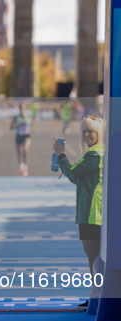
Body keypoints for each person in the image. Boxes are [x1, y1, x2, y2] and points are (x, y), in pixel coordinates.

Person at [53, 114, 105, 311]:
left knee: (93, 258)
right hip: (94, 211)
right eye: (83, 130)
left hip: (92, 212)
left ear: (98, 132)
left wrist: (61, 155)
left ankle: (97, 297)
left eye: (90, 130)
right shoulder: (97, 151)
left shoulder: (94, 154)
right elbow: (77, 177)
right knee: (96, 259)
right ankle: (97, 295)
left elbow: (73, 173)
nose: (86, 134)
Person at [10, 103, 34, 176]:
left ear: (25, 108)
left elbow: (32, 124)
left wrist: (34, 129)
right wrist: (18, 125)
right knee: (19, 152)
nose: (22, 110)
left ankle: (25, 166)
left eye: (23, 108)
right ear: (19, 109)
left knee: (25, 149)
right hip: (19, 135)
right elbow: (11, 127)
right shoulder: (16, 117)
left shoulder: (29, 116)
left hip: (26, 135)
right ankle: (21, 167)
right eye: (20, 108)